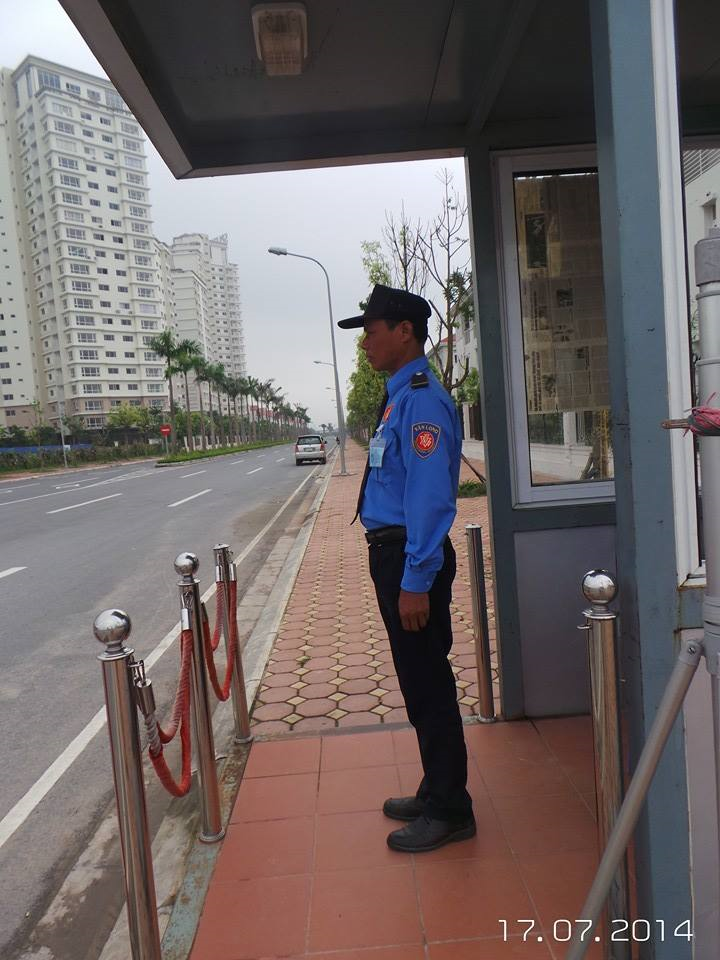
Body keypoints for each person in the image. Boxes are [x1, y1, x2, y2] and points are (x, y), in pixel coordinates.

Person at [338, 284, 475, 853]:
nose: (364, 343)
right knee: (417, 681)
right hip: (394, 554)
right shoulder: (400, 397)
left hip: (409, 558)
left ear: (404, 332)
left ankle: (450, 808)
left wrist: (415, 580)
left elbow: (430, 498)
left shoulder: (420, 401)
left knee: (428, 683)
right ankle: (435, 787)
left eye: (370, 332)